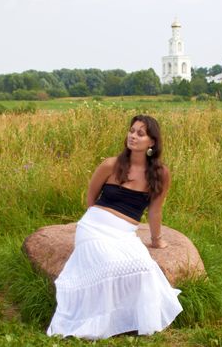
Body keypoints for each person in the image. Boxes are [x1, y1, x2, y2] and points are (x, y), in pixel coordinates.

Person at [46, 115, 183, 340]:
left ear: (152, 142)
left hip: (124, 232)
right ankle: (99, 322)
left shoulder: (160, 174)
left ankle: (129, 319)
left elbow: (155, 210)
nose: (133, 136)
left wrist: (157, 239)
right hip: (94, 226)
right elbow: (91, 198)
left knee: (144, 268)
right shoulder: (111, 164)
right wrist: (93, 222)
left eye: (140, 133)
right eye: (131, 131)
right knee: (109, 265)